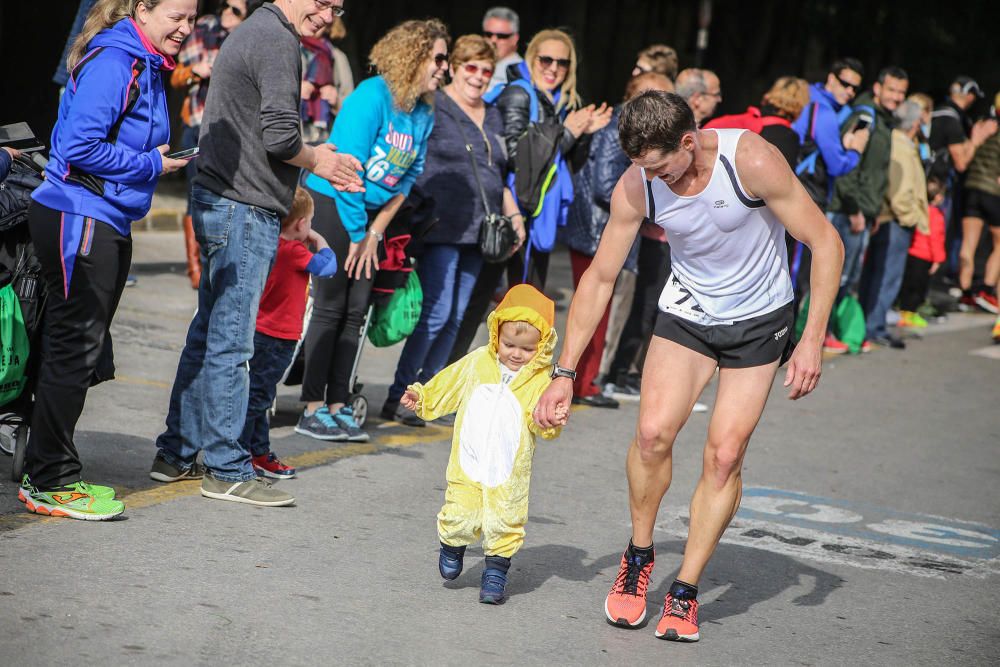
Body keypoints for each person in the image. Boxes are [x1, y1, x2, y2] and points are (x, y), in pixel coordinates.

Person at [533, 91, 844, 642]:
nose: (655, 177)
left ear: (687, 141)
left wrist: (812, 338)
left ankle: (687, 588)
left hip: (759, 320)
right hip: (689, 313)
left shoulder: (749, 159)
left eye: (661, 165)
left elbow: (825, 241)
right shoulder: (638, 183)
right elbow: (601, 277)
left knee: (724, 455)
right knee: (652, 434)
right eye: (642, 167)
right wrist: (565, 372)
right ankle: (639, 555)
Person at [151, 0, 363, 509]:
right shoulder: (275, 39)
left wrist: (314, 160)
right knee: (230, 342)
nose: (328, 15)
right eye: (322, 2)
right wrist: (322, 162)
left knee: (210, 335)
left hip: (228, 200)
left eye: (337, 7)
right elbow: (280, 136)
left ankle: (176, 453)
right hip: (242, 208)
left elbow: (268, 134)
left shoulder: (261, 32)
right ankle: (224, 466)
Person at [20, 0, 196, 520]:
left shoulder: (142, 62)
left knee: (75, 349)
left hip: (104, 219)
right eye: (176, 16)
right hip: (79, 216)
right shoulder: (119, 61)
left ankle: (49, 467)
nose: (185, 28)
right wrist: (150, 163)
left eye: (192, 19)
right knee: (74, 351)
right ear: (143, 10)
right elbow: (75, 145)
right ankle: (49, 479)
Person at [297, 18, 447, 442]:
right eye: (437, 58)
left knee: (357, 311)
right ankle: (311, 407)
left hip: (370, 222)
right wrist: (358, 232)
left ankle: (339, 404)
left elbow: (408, 177)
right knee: (330, 306)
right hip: (333, 204)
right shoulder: (371, 97)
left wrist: (375, 233)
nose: (443, 67)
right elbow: (345, 168)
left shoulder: (422, 112)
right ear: (412, 56)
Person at [382, 34, 524, 427]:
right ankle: (400, 396)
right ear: (455, 68)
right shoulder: (436, 106)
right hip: (443, 224)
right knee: (436, 313)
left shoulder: (493, 114)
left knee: (457, 316)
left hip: (481, 231)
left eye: (485, 70)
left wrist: (514, 216)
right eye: (470, 68)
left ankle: (429, 395)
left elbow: (499, 174)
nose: (478, 77)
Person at [449, 29, 611, 361]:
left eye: (562, 63)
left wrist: (583, 135)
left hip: (537, 216)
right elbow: (517, 158)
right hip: (512, 213)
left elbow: (565, 164)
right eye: (546, 59)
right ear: (531, 58)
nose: (553, 68)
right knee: (483, 302)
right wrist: (568, 131)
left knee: (523, 305)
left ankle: (505, 382)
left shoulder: (554, 101)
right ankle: (446, 374)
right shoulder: (520, 95)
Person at [399, 284, 564, 605]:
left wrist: (551, 419)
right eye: (509, 344)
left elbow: (540, 421)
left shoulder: (541, 380)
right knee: (460, 512)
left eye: (527, 349)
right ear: (496, 335)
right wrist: (423, 396)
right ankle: (452, 545)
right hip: (468, 460)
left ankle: (496, 571)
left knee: (505, 519)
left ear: (542, 347)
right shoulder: (478, 362)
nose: (516, 353)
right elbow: (449, 382)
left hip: (509, 469)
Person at [563, 72, 673, 409]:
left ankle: (588, 381)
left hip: (604, 230)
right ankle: (583, 383)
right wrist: (647, 204)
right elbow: (604, 183)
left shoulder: (636, 127)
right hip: (598, 232)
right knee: (595, 311)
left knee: (606, 312)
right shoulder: (620, 128)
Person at [240, 187, 337, 479]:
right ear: (300, 224)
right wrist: (319, 239)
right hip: (278, 335)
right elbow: (328, 267)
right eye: (309, 220)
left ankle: (258, 451)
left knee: (260, 395)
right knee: (258, 398)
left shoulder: (269, 242)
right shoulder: (294, 250)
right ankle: (242, 453)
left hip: (261, 330)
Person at [829, 66, 909, 349]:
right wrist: (855, 209)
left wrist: (873, 211)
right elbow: (850, 165)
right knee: (838, 276)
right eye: (891, 90)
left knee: (848, 277)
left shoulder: (883, 120)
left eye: (901, 92)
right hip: (848, 210)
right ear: (877, 88)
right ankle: (824, 334)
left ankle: (836, 332)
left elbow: (874, 172)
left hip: (865, 211)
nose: (897, 97)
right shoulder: (865, 116)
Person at [171, 0, 246, 289]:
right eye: (226, 5)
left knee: (224, 196)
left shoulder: (247, 38)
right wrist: (196, 70)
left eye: (237, 10)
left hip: (232, 128)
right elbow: (179, 74)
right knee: (195, 195)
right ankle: (195, 267)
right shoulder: (203, 29)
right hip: (198, 123)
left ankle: (218, 262)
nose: (228, 12)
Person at [859, 98, 926, 346]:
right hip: (896, 219)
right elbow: (899, 189)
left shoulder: (899, 141)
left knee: (876, 274)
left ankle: (870, 324)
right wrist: (910, 217)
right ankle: (874, 326)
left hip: (889, 217)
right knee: (886, 276)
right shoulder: (900, 144)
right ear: (915, 122)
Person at [956, 92, 1000, 313]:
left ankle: (965, 293)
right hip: (993, 193)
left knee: (968, 245)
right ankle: (987, 289)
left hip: (972, 189)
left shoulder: (982, 127)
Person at [898, 177, 947, 328]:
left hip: (912, 253)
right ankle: (911, 314)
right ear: (938, 197)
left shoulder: (920, 211)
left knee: (908, 286)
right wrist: (938, 259)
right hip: (925, 256)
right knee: (919, 289)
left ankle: (904, 313)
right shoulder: (936, 215)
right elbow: (935, 238)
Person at [299, 16, 355, 144]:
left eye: (323, 21)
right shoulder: (289, 48)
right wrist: (296, 91)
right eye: (312, 18)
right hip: (295, 141)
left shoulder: (338, 57)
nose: (318, 22)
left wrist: (336, 101)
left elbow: (351, 105)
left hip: (327, 139)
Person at [482, 6, 522, 90]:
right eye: (489, 34)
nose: (493, 40)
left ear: (515, 39)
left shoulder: (521, 71)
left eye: (501, 36)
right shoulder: (475, 65)